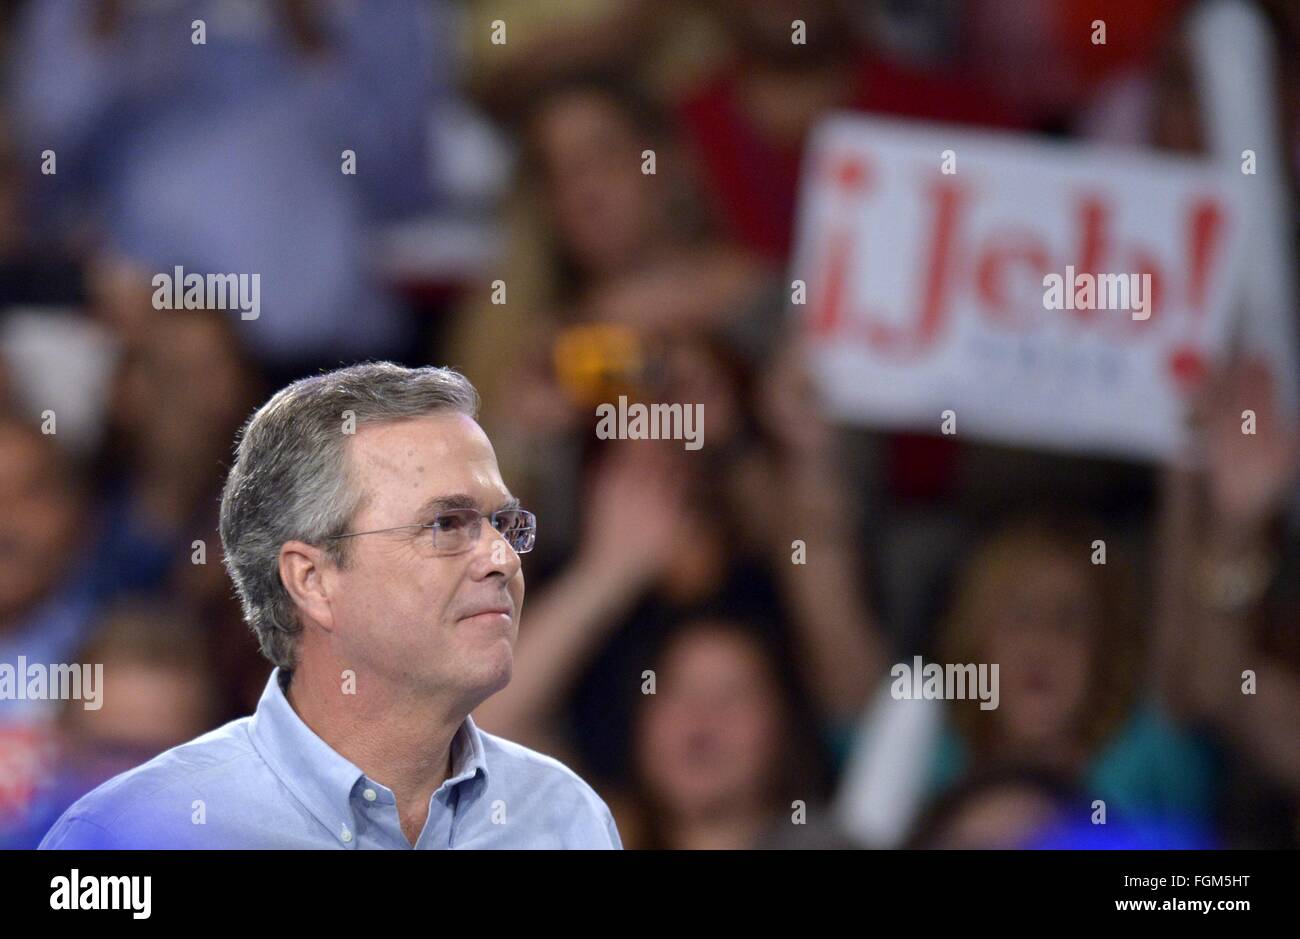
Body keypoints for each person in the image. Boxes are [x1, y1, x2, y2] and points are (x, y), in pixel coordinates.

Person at [39, 362, 622, 849]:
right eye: (448, 524)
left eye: (502, 523)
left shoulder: (565, 820)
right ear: (312, 579)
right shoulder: (134, 834)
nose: (501, 556)